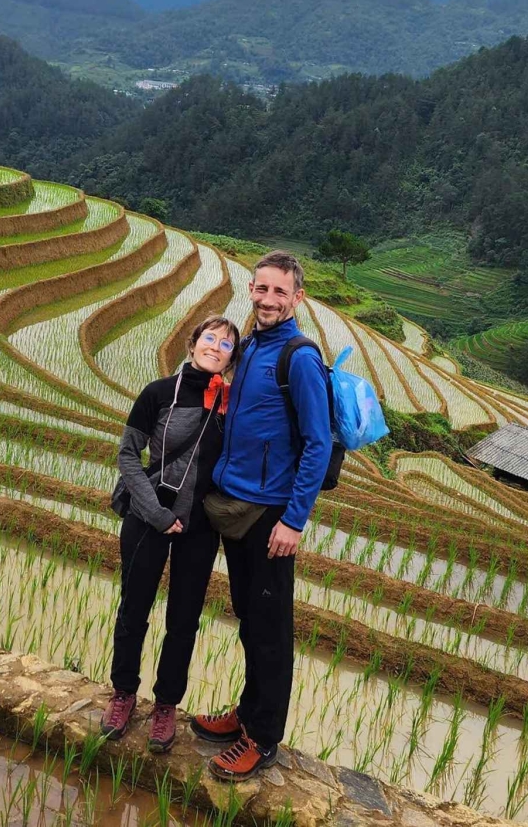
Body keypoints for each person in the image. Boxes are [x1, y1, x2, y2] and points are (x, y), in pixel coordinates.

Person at [193, 251, 335, 780]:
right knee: (251, 622)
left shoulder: (297, 356)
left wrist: (294, 521)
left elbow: (317, 445)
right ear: (250, 290)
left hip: (271, 515)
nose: (269, 300)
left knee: (271, 629)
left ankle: (263, 738)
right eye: (262, 290)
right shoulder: (250, 346)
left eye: (281, 292)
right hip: (238, 507)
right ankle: (246, 715)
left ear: (298, 298)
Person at [101, 316, 241, 752]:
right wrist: (157, 514)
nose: (215, 346)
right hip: (149, 517)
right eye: (209, 337)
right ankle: (123, 693)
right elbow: (127, 455)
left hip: (199, 528)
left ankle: (165, 706)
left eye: (226, 343)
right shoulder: (159, 392)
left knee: (183, 621)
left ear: (232, 358)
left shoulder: (231, 405)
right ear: (193, 343)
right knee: (134, 608)